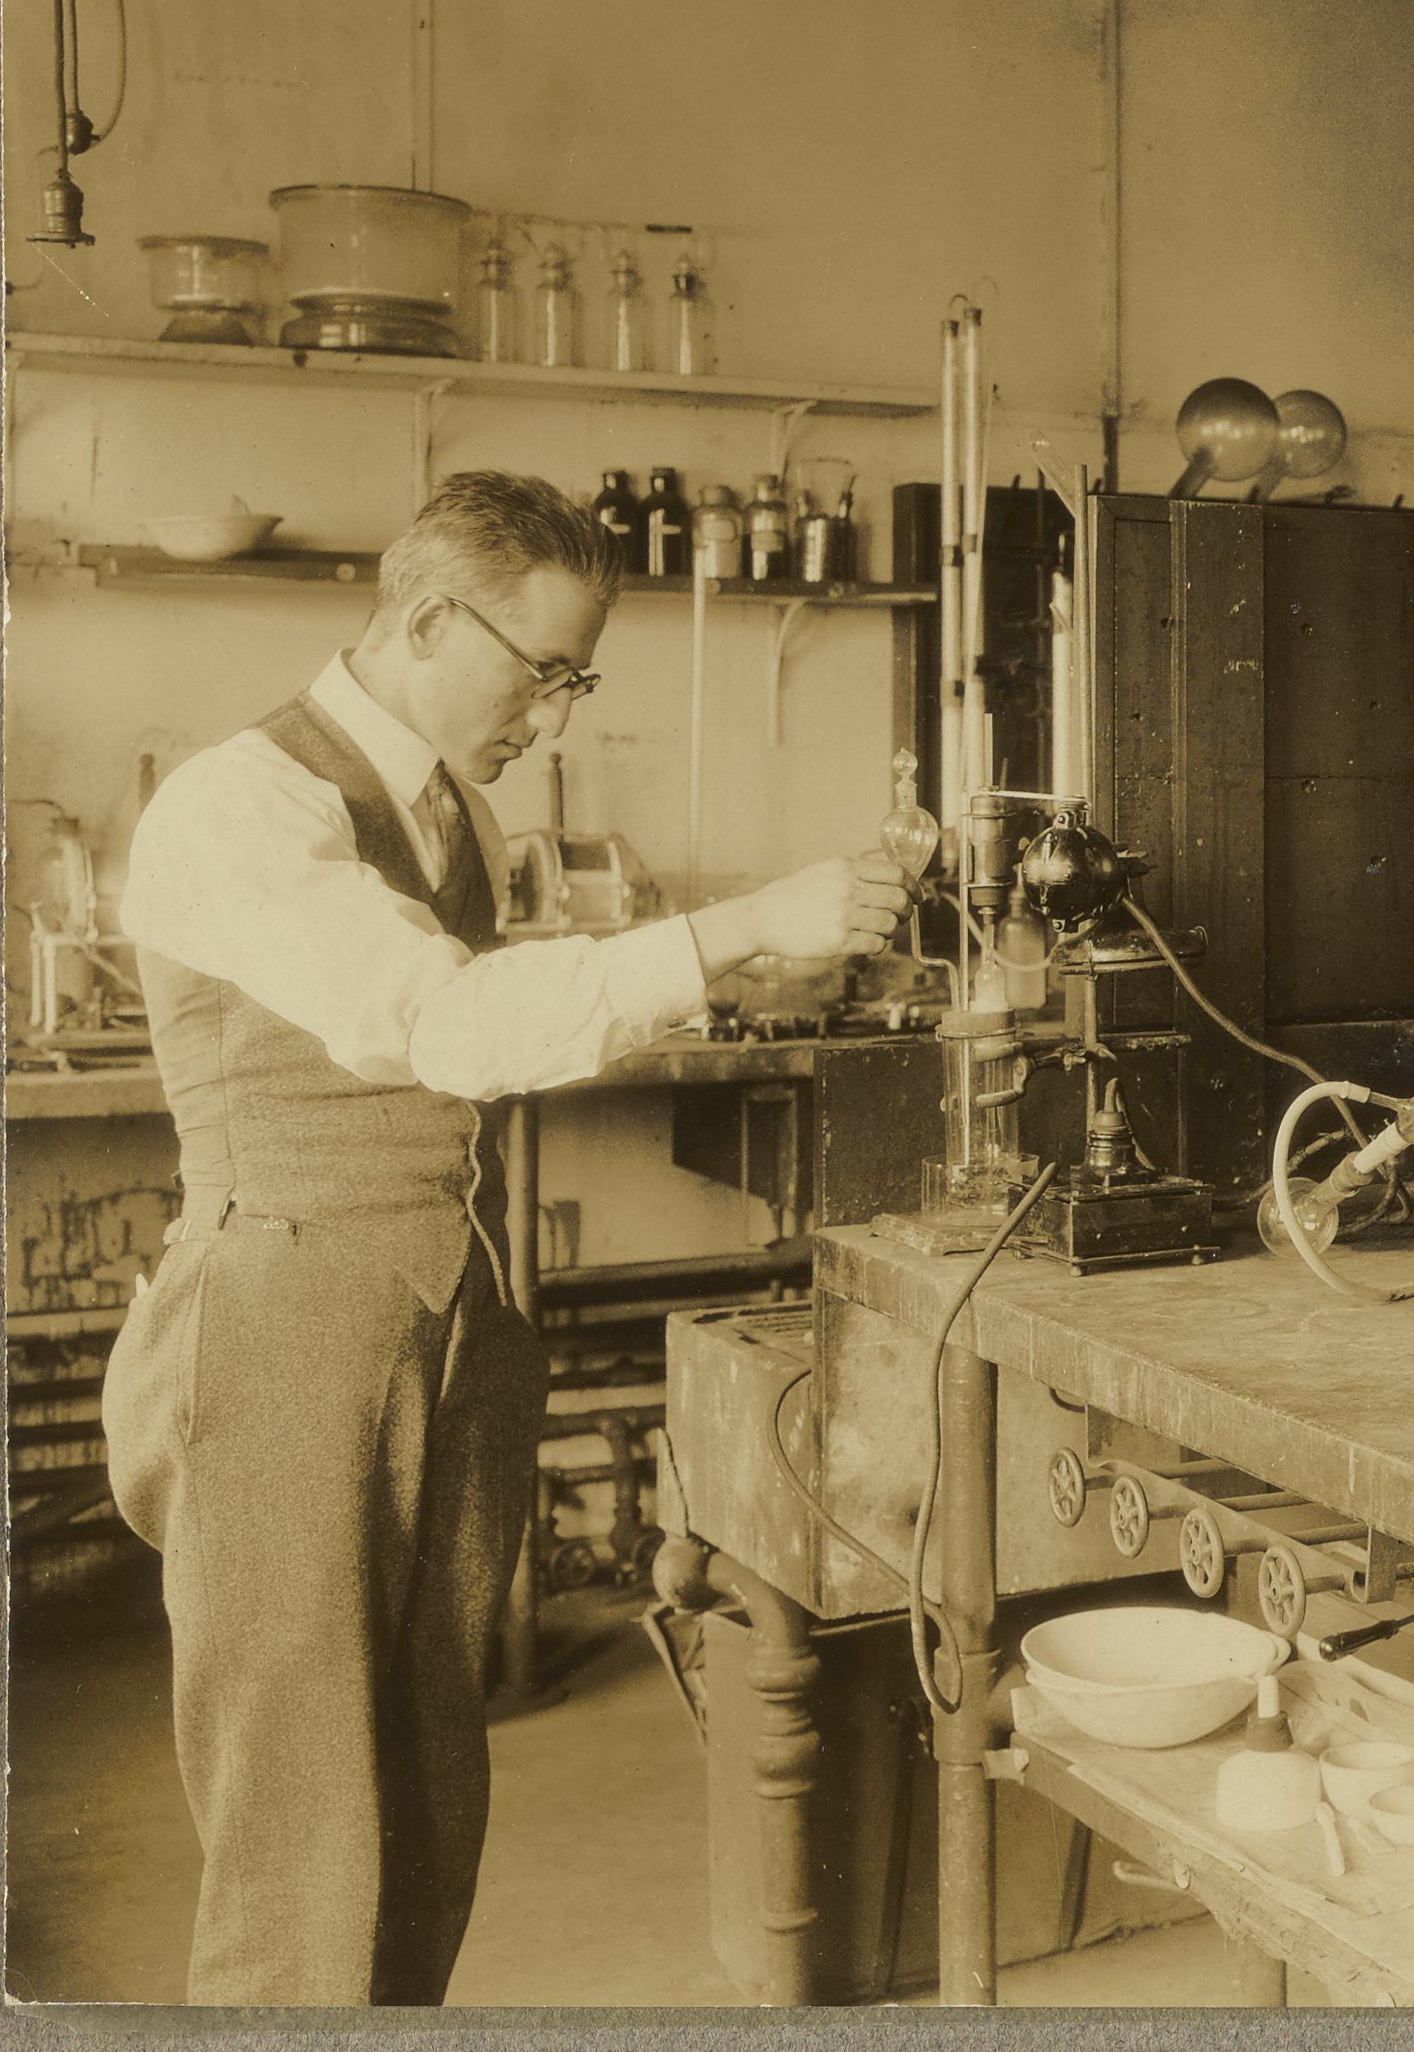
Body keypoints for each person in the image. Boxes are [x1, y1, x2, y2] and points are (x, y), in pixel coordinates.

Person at [103, 470, 908, 2005]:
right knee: (297, 1827)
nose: (551, 718)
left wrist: (747, 958)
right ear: (426, 622)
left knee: (423, 1792)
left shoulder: (449, 813)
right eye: (541, 673)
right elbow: (448, 1026)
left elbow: (496, 1019)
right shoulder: (241, 801)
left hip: (438, 1316)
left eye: (573, 681)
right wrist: (739, 926)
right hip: (277, 1325)